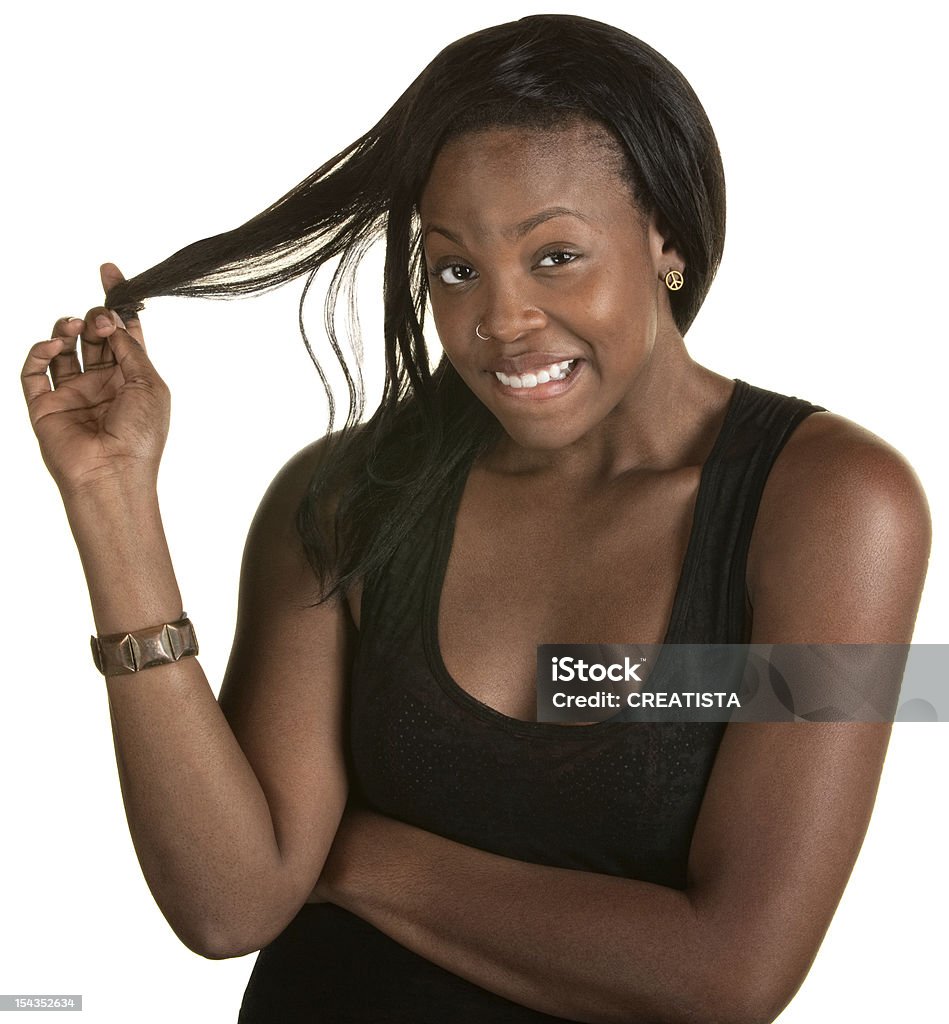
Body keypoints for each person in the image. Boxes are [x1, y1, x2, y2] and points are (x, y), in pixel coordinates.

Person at [20, 13, 930, 1024]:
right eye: (455, 267)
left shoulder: (835, 504)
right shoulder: (345, 499)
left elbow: (732, 972)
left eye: (555, 256)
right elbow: (230, 905)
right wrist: (111, 503)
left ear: (664, 234)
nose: (499, 319)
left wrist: (354, 854)